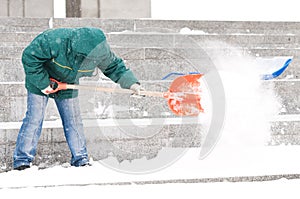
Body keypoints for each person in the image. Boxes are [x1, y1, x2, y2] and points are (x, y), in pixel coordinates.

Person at [13, 27, 143, 170]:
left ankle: (80, 158)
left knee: (73, 121)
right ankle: (22, 161)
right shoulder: (53, 40)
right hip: (40, 79)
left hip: (68, 84)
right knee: (34, 118)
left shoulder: (100, 52)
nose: (93, 61)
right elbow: (29, 57)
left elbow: (114, 67)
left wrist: (132, 84)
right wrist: (44, 84)